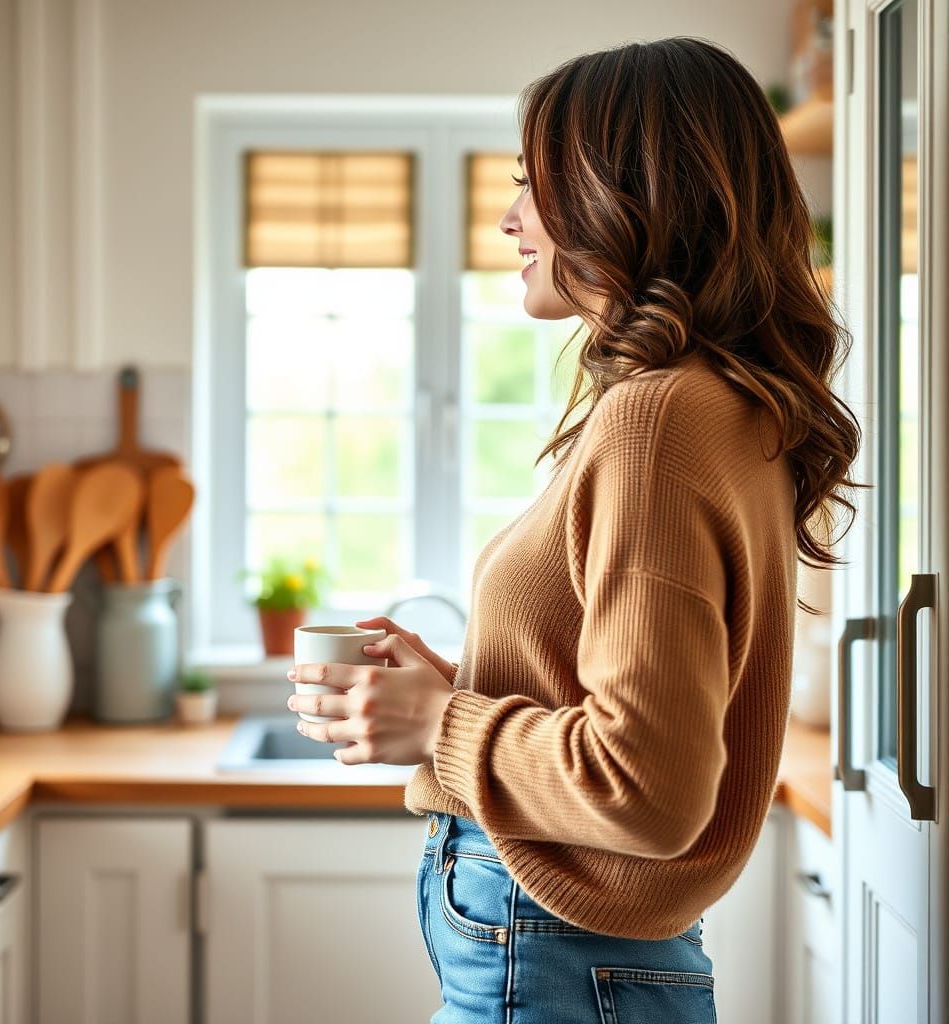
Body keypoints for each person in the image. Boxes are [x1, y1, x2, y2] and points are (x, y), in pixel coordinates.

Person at [285, 37, 862, 1024]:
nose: (508, 220)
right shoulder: (717, 406)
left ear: (628, 192)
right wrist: (465, 680)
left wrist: (437, 720)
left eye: (531, 187)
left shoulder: (658, 419)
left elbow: (646, 785)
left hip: (552, 961)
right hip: (578, 962)